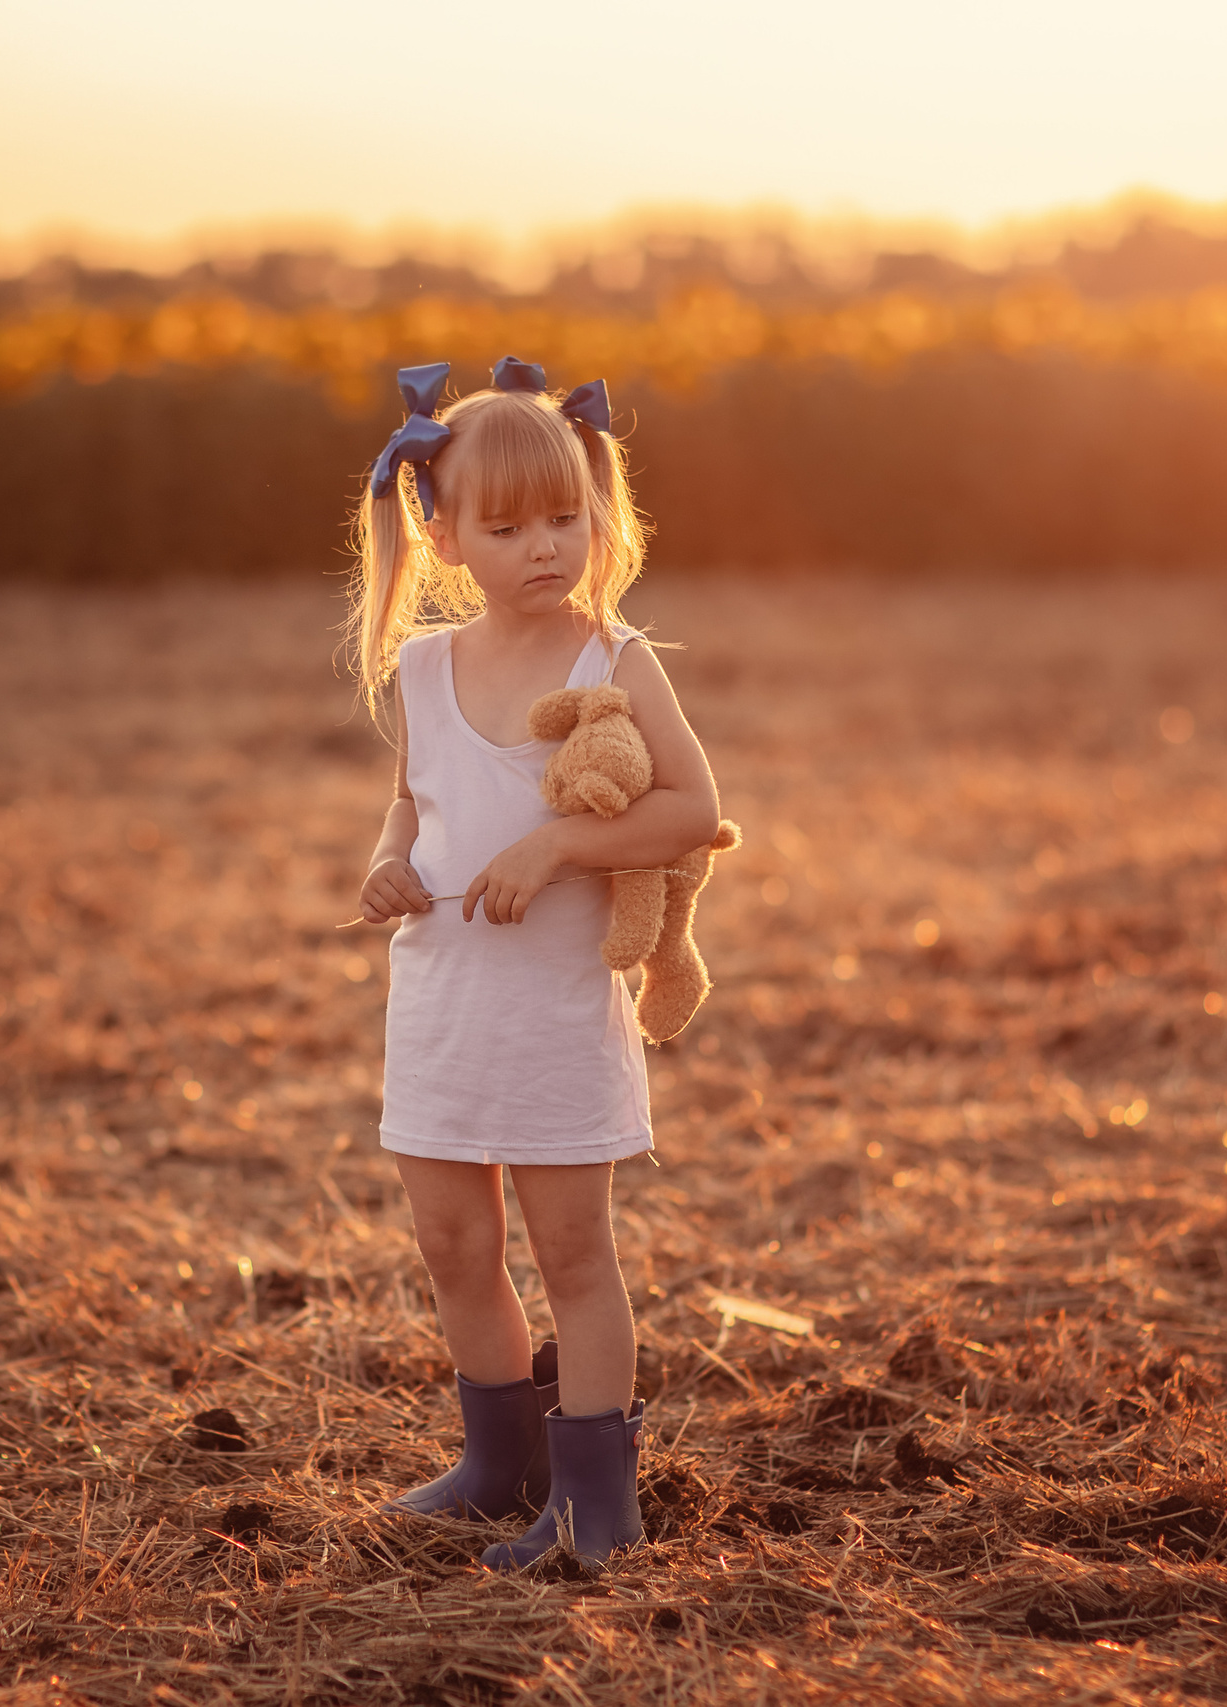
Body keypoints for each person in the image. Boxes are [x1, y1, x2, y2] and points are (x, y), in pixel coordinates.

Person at [346, 355, 722, 1570]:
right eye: (506, 528)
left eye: (564, 516)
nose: (544, 547)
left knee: (572, 1255)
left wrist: (559, 843)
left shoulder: (612, 657)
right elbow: (412, 803)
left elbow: (693, 810)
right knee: (455, 1248)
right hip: (441, 1006)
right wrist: (386, 865)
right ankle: (496, 1465)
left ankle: (597, 1502)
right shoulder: (423, 669)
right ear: (444, 535)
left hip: (553, 1014)